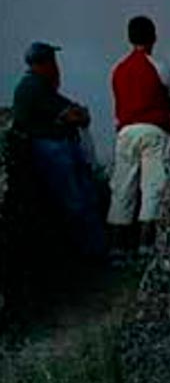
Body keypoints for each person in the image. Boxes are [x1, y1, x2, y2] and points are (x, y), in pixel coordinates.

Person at [11, 42, 105, 260]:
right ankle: (91, 252)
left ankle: (91, 250)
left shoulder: (36, 85)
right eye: (52, 60)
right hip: (54, 150)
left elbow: (70, 109)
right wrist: (76, 114)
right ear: (44, 63)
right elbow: (75, 114)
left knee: (80, 198)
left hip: (55, 148)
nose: (56, 66)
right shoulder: (35, 86)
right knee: (76, 201)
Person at [107, 15, 170, 250]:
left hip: (126, 132)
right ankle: (146, 245)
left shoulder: (118, 70)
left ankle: (117, 247)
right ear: (154, 37)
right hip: (155, 130)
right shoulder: (160, 67)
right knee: (154, 187)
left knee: (122, 188)